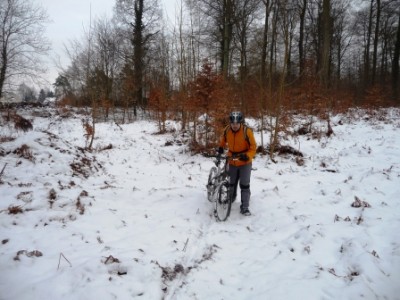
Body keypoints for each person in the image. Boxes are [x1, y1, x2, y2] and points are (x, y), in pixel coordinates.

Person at [218, 111, 257, 216]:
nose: (234, 126)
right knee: (231, 183)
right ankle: (231, 198)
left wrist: (248, 156)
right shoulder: (227, 130)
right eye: (233, 123)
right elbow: (223, 140)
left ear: (240, 123)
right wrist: (221, 147)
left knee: (244, 185)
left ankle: (245, 207)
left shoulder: (246, 131)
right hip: (232, 160)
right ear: (230, 123)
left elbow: (253, 147)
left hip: (245, 161)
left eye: (237, 123)